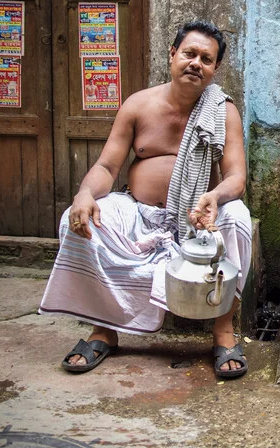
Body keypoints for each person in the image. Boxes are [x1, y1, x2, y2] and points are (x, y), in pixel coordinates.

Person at [39, 21, 253, 379]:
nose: (195, 63)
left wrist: (215, 196)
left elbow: (236, 177)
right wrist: (85, 193)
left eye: (206, 59)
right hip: (140, 213)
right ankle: (103, 330)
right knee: (79, 219)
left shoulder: (222, 110)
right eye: (189, 53)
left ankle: (223, 332)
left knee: (238, 218)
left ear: (215, 69)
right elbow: (107, 166)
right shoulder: (139, 105)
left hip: (198, 218)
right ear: (172, 55)